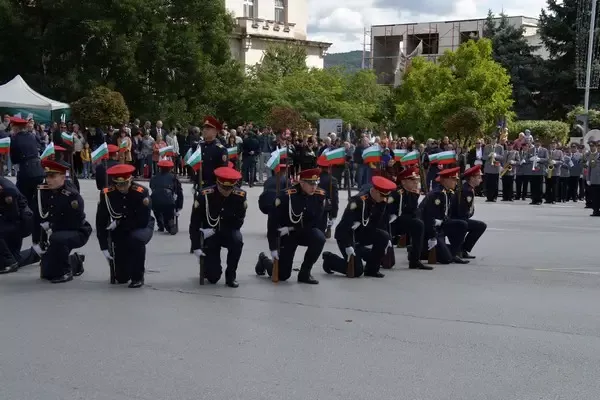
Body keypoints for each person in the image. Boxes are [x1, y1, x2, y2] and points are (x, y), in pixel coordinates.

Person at [256, 168, 326, 284]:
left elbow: (315, 222)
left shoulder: (319, 195)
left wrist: (292, 228)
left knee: (319, 238)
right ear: (302, 183)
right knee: (282, 275)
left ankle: (305, 272)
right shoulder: (285, 196)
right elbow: (272, 222)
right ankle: (264, 260)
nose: (314, 187)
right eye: (310, 184)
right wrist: (273, 247)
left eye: (316, 183)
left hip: (303, 231)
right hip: (287, 235)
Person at [321, 175, 396, 278]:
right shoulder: (358, 201)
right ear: (374, 191)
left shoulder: (381, 201)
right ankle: (330, 260)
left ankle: (371, 269)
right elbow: (344, 227)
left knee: (383, 236)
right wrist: (348, 245)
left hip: (363, 232)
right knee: (357, 271)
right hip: (346, 235)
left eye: (386, 196)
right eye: (382, 195)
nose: (384, 199)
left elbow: (380, 222)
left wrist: (388, 239)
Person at [31, 159, 92, 283]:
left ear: (63, 177)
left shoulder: (72, 196)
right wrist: (36, 240)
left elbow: (73, 223)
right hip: (56, 232)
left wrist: (51, 225)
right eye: (47, 176)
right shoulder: (43, 191)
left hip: (77, 231)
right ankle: (76, 261)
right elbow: (37, 216)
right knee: (47, 273)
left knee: (58, 238)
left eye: (53, 176)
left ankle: (66, 271)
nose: (48, 180)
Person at [96, 164, 155, 288]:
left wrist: (119, 222)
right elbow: (101, 221)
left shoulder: (141, 192)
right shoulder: (107, 194)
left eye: (124, 184)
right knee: (121, 277)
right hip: (120, 229)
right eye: (118, 184)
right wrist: (104, 247)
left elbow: (142, 220)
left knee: (135, 240)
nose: (121, 187)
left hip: (141, 227)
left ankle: (138, 277)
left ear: (131, 180)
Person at [190, 167, 247, 288]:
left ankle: (231, 275)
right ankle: (207, 267)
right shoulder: (204, 195)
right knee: (213, 277)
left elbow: (239, 221)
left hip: (229, 231)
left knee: (238, 241)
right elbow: (194, 223)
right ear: (217, 183)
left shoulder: (240, 196)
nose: (226, 191)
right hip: (210, 234)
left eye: (230, 188)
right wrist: (196, 245)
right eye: (223, 187)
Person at [419, 167, 469, 265]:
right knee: (446, 259)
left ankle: (454, 253)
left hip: (442, 225)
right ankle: (422, 251)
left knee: (462, 224)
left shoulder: (448, 193)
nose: (455, 182)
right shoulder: (436, 194)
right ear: (445, 180)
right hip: (432, 229)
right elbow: (427, 217)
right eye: (453, 179)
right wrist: (432, 236)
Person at [389, 167, 430, 270]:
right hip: (391, 224)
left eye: (416, 180)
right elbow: (388, 212)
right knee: (388, 262)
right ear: (403, 181)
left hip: (403, 222)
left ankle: (415, 260)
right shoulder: (396, 194)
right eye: (412, 180)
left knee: (418, 224)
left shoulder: (413, 193)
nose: (416, 182)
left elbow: (413, 212)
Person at [450, 165, 487, 259]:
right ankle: (462, 249)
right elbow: (462, 212)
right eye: (479, 177)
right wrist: (469, 214)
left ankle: (463, 249)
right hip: (456, 219)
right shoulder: (466, 191)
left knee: (478, 225)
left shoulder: (468, 188)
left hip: (459, 217)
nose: (481, 180)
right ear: (471, 178)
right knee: (480, 226)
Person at [0, 177, 33, 274]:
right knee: (11, 257)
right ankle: (34, 254)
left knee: (6, 260)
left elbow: (13, 215)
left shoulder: (5, 189)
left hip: (17, 225)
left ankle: (10, 262)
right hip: (10, 224)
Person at [9, 116, 45, 205]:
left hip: (26, 171)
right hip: (39, 169)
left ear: (15, 128)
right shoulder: (32, 136)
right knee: (36, 199)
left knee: (21, 198)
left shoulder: (14, 139)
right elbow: (40, 146)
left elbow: (14, 159)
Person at [150, 159, 183, 234]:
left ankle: (160, 224)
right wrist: (179, 206)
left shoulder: (154, 177)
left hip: (155, 200)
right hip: (168, 201)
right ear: (170, 168)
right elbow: (179, 193)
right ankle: (169, 222)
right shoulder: (174, 178)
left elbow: (152, 187)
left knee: (156, 207)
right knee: (169, 210)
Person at [195, 116, 228, 188]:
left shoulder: (220, 149)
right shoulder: (200, 146)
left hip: (213, 186)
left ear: (215, 131)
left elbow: (222, 171)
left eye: (208, 129)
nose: (204, 130)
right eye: (204, 128)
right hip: (200, 184)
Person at [316, 157, 339, 234]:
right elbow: (335, 197)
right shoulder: (333, 179)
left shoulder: (315, 178)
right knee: (325, 221)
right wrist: (335, 211)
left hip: (315, 203)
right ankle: (327, 229)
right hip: (327, 204)